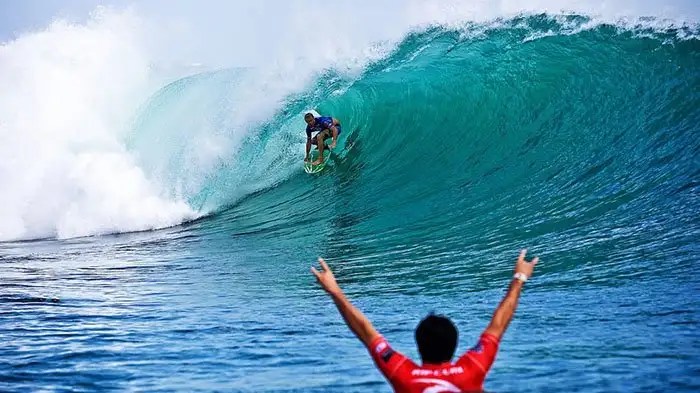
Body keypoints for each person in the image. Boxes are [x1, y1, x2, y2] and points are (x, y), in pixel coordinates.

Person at [311, 249, 539, 392]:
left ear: (418, 346)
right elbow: (498, 325)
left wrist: (334, 290)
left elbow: (365, 331)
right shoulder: (471, 369)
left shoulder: (404, 374)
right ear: (455, 345)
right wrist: (519, 278)